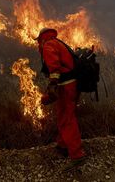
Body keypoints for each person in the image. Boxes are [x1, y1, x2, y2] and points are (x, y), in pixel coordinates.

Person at [35, 28, 86, 171]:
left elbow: (55, 68)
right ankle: (63, 146)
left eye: (38, 41)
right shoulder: (57, 42)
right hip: (73, 84)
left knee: (67, 118)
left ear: (41, 39)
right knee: (64, 115)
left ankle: (77, 155)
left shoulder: (48, 45)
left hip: (66, 86)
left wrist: (52, 86)